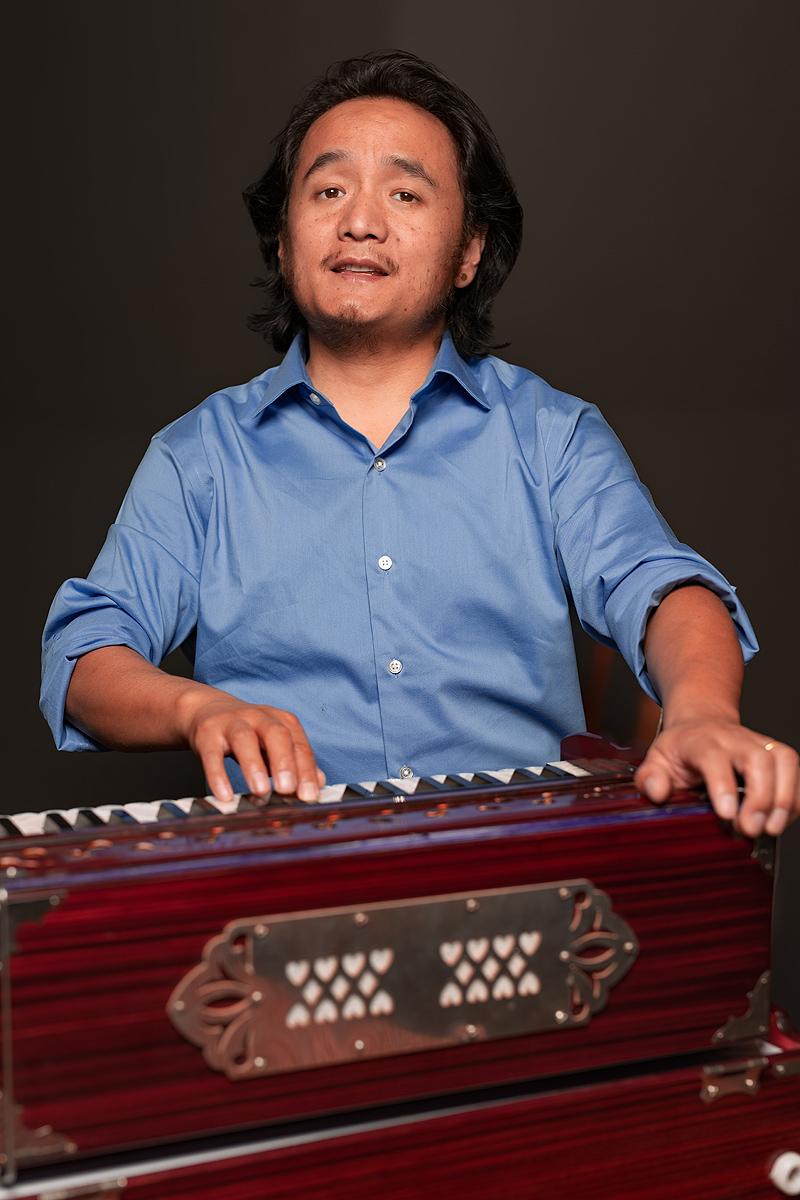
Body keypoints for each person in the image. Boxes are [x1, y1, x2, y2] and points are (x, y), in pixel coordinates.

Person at [41, 50, 799, 838]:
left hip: (522, 866)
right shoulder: (197, 456)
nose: (360, 221)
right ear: (283, 241)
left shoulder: (551, 434)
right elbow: (84, 658)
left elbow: (662, 587)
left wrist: (703, 715)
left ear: (469, 251)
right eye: (329, 190)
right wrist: (197, 708)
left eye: (404, 193)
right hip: (287, 877)